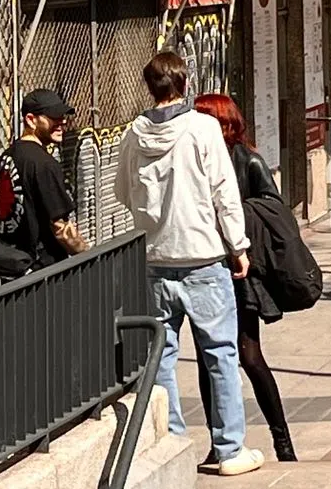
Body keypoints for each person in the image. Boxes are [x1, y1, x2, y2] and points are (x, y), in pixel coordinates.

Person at [115, 53, 264, 476]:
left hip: (155, 258)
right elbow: (224, 190)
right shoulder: (202, 128)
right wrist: (238, 245)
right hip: (203, 259)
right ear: (183, 81)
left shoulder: (133, 134)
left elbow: (122, 191)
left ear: (150, 87)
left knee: (160, 355)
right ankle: (229, 448)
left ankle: (172, 439)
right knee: (219, 353)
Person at [195, 94, 297, 462]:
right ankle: (218, 443)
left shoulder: (248, 160)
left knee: (250, 356)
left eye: (205, 119)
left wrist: (233, 216)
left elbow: (274, 209)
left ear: (224, 124)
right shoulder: (198, 158)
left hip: (242, 271)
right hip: (206, 266)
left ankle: (282, 440)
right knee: (210, 360)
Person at [0, 88, 88, 270]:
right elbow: (61, 228)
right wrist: (88, 255)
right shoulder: (43, 164)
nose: (62, 122)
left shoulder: (8, 156)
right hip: (42, 271)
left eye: (62, 116)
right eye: (53, 117)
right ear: (31, 120)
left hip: (11, 264)